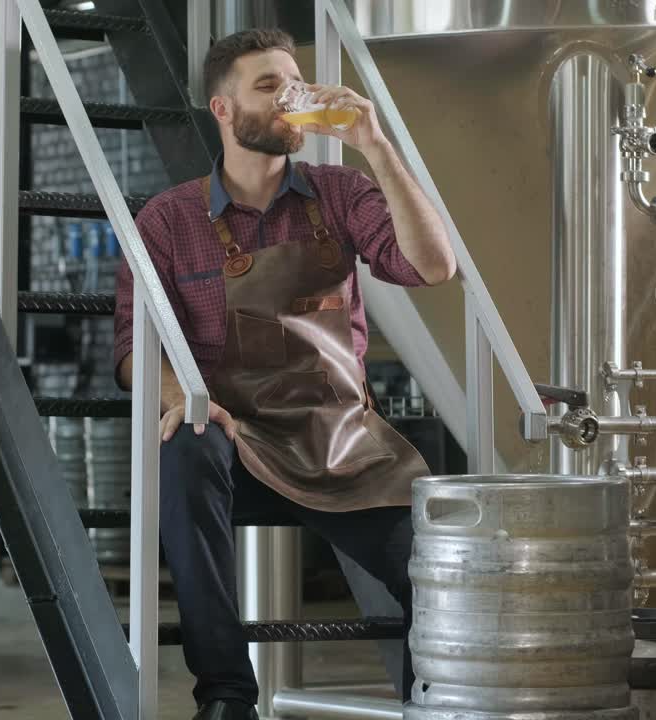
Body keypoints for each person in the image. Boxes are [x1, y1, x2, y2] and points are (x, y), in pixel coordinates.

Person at [113, 27, 455, 720]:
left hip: (341, 443)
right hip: (236, 442)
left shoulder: (340, 191)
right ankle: (227, 695)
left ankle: (431, 704)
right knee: (184, 445)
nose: (289, 96)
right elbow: (131, 346)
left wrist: (375, 144)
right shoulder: (167, 221)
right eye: (268, 85)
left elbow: (432, 265)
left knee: (440, 577)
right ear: (223, 109)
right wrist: (186, 398)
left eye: (292, 82)